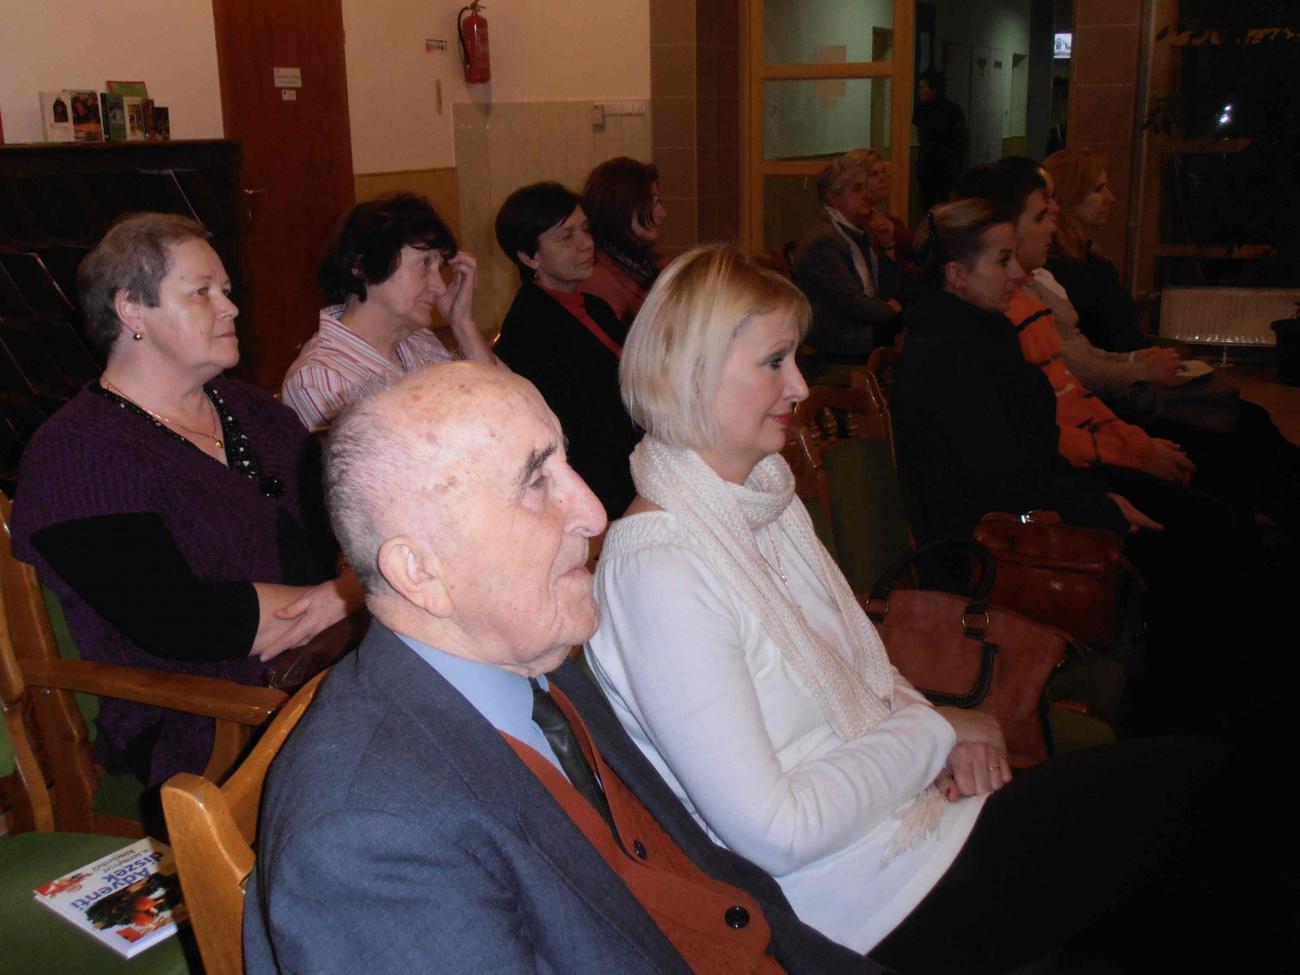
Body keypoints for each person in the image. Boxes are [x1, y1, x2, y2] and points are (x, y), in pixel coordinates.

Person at [588, 243, 1235, 972]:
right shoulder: (660, 569)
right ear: (693, 373)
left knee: (1181, 811)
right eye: (774, 362)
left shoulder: (763, 502)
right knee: (1194, 794)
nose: (799, 384)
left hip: (903, 835)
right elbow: (776, 832)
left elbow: (861, 669)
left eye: (794, 357)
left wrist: (935, 735)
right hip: (856, 904)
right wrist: (935, 730)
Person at [244, 362, 876, 975]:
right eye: (535, 482)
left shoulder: (534, 658)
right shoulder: (367, 842)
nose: (594, 512)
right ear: (421, 572)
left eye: (565, 463)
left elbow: (705, 882)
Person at [11, 213, 362, 789]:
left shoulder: (257, 413)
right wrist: (346, 595)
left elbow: (355, 530)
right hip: (201, 716)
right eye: (202, 292)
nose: (230, 308)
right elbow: (181, 622)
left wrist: (343, 594)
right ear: (132, 310)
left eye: (226, 290)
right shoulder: (77, 453)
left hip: (325, 676)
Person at [281, 192, 494, 432]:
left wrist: (462, 321)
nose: (440, 287)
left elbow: (501, 412)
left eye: (439, 268)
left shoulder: (420, 341)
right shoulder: (320, 381)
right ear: (361, 266)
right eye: (425, 264)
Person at [494, 181, 640, 516]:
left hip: (629, 462)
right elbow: (579, 431)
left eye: (585, 230)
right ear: (529, 256)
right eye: (566, 237)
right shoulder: (530, 328)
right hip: (601, 487)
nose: (586, 243)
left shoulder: (591, 305)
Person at [791, 153, 902, 359]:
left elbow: (885, 291)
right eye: (857, 188)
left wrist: (887, 245)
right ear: (834, 197)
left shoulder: (857, 230)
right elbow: (852, 304)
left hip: (863, 331)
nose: (866, 194)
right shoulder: (823, 240)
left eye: (865, 187)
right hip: (838, 344)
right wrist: (895, 312)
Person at [580, 156, 666, 324]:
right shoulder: (597, 279)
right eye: (651, 201)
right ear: (620, 206)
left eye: (658, 200)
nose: (662, 213)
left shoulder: (650, 260)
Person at [845, 148, 915, 272]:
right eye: (874, 174)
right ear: (857, 180)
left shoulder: (882, 217)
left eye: (884, 172)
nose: (883, 178)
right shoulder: (858, 222)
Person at [912, 69, 968, 210]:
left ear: (934, 89)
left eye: (923, 87)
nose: (919, 91)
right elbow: (920, 137)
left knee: (945, 203)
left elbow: (963, 139)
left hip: (947, 167)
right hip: (926, 165)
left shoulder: (952, 110)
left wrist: (957, 162)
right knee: (927, 204)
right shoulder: (921, 110)